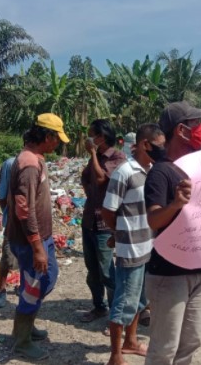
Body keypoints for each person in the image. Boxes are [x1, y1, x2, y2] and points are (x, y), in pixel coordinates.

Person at [144, 101, 201, 365]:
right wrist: (176, 205)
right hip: (169, 274)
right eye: (197, 124)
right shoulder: (161, 173)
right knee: (164, 349)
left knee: (192, 341)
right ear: (182, 131)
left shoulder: (199, 167)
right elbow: (153, 219)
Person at [5, 113, 70, 360]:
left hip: (39, 237)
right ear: (47, 136)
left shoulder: (34, 159)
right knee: (36, 284)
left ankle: (26, 326)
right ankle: (21, 341)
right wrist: (37, 247)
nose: (58, 144)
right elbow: (24, 209)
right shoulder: (29, 164)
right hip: (31, 240)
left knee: (39, 281)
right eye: (56, 139)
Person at [102, 124, 163, 365]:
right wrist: (118, 233)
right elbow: (108, 210)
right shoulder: (124, 172)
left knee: (138, 300)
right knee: (123, 302)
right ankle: (115, 356)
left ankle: (131, 341)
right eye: (159, 145)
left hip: (148, 246)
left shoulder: (153, 171)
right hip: (131, 248)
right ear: (146, 144)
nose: (163, 149)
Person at [80, 119, 127, 322]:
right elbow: (87, 181)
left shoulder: (118, 158)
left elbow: (100, 180)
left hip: (105, 223)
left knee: (108, 271)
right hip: (89, 220)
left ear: (102, 136)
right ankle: (99, 306)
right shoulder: (97, 156)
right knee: (92, 270)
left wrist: (92, 154)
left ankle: (117, 314)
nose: (89, 139)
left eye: (92, 134)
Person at [0, 157, 20, 309]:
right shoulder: (10, 164)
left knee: (28, 256)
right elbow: (2, 194)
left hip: (32, 221)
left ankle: (22, 287)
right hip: (14, 220)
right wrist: (8, 215)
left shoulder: (39, 162)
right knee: (8, 256)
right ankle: (1, 290)